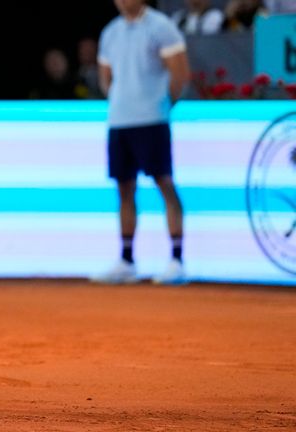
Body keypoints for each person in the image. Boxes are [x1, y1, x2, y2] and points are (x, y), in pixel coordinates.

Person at [91, 0, 191, 285]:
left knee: (164, 183)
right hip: (120, 122)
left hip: (153, 120)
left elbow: (180, 74)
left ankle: (177, 259)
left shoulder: (162, 26)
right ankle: (126, 260)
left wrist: (157, 105)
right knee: (124, 188)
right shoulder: (111, 32)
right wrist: (125, 102)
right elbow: (106, 79)